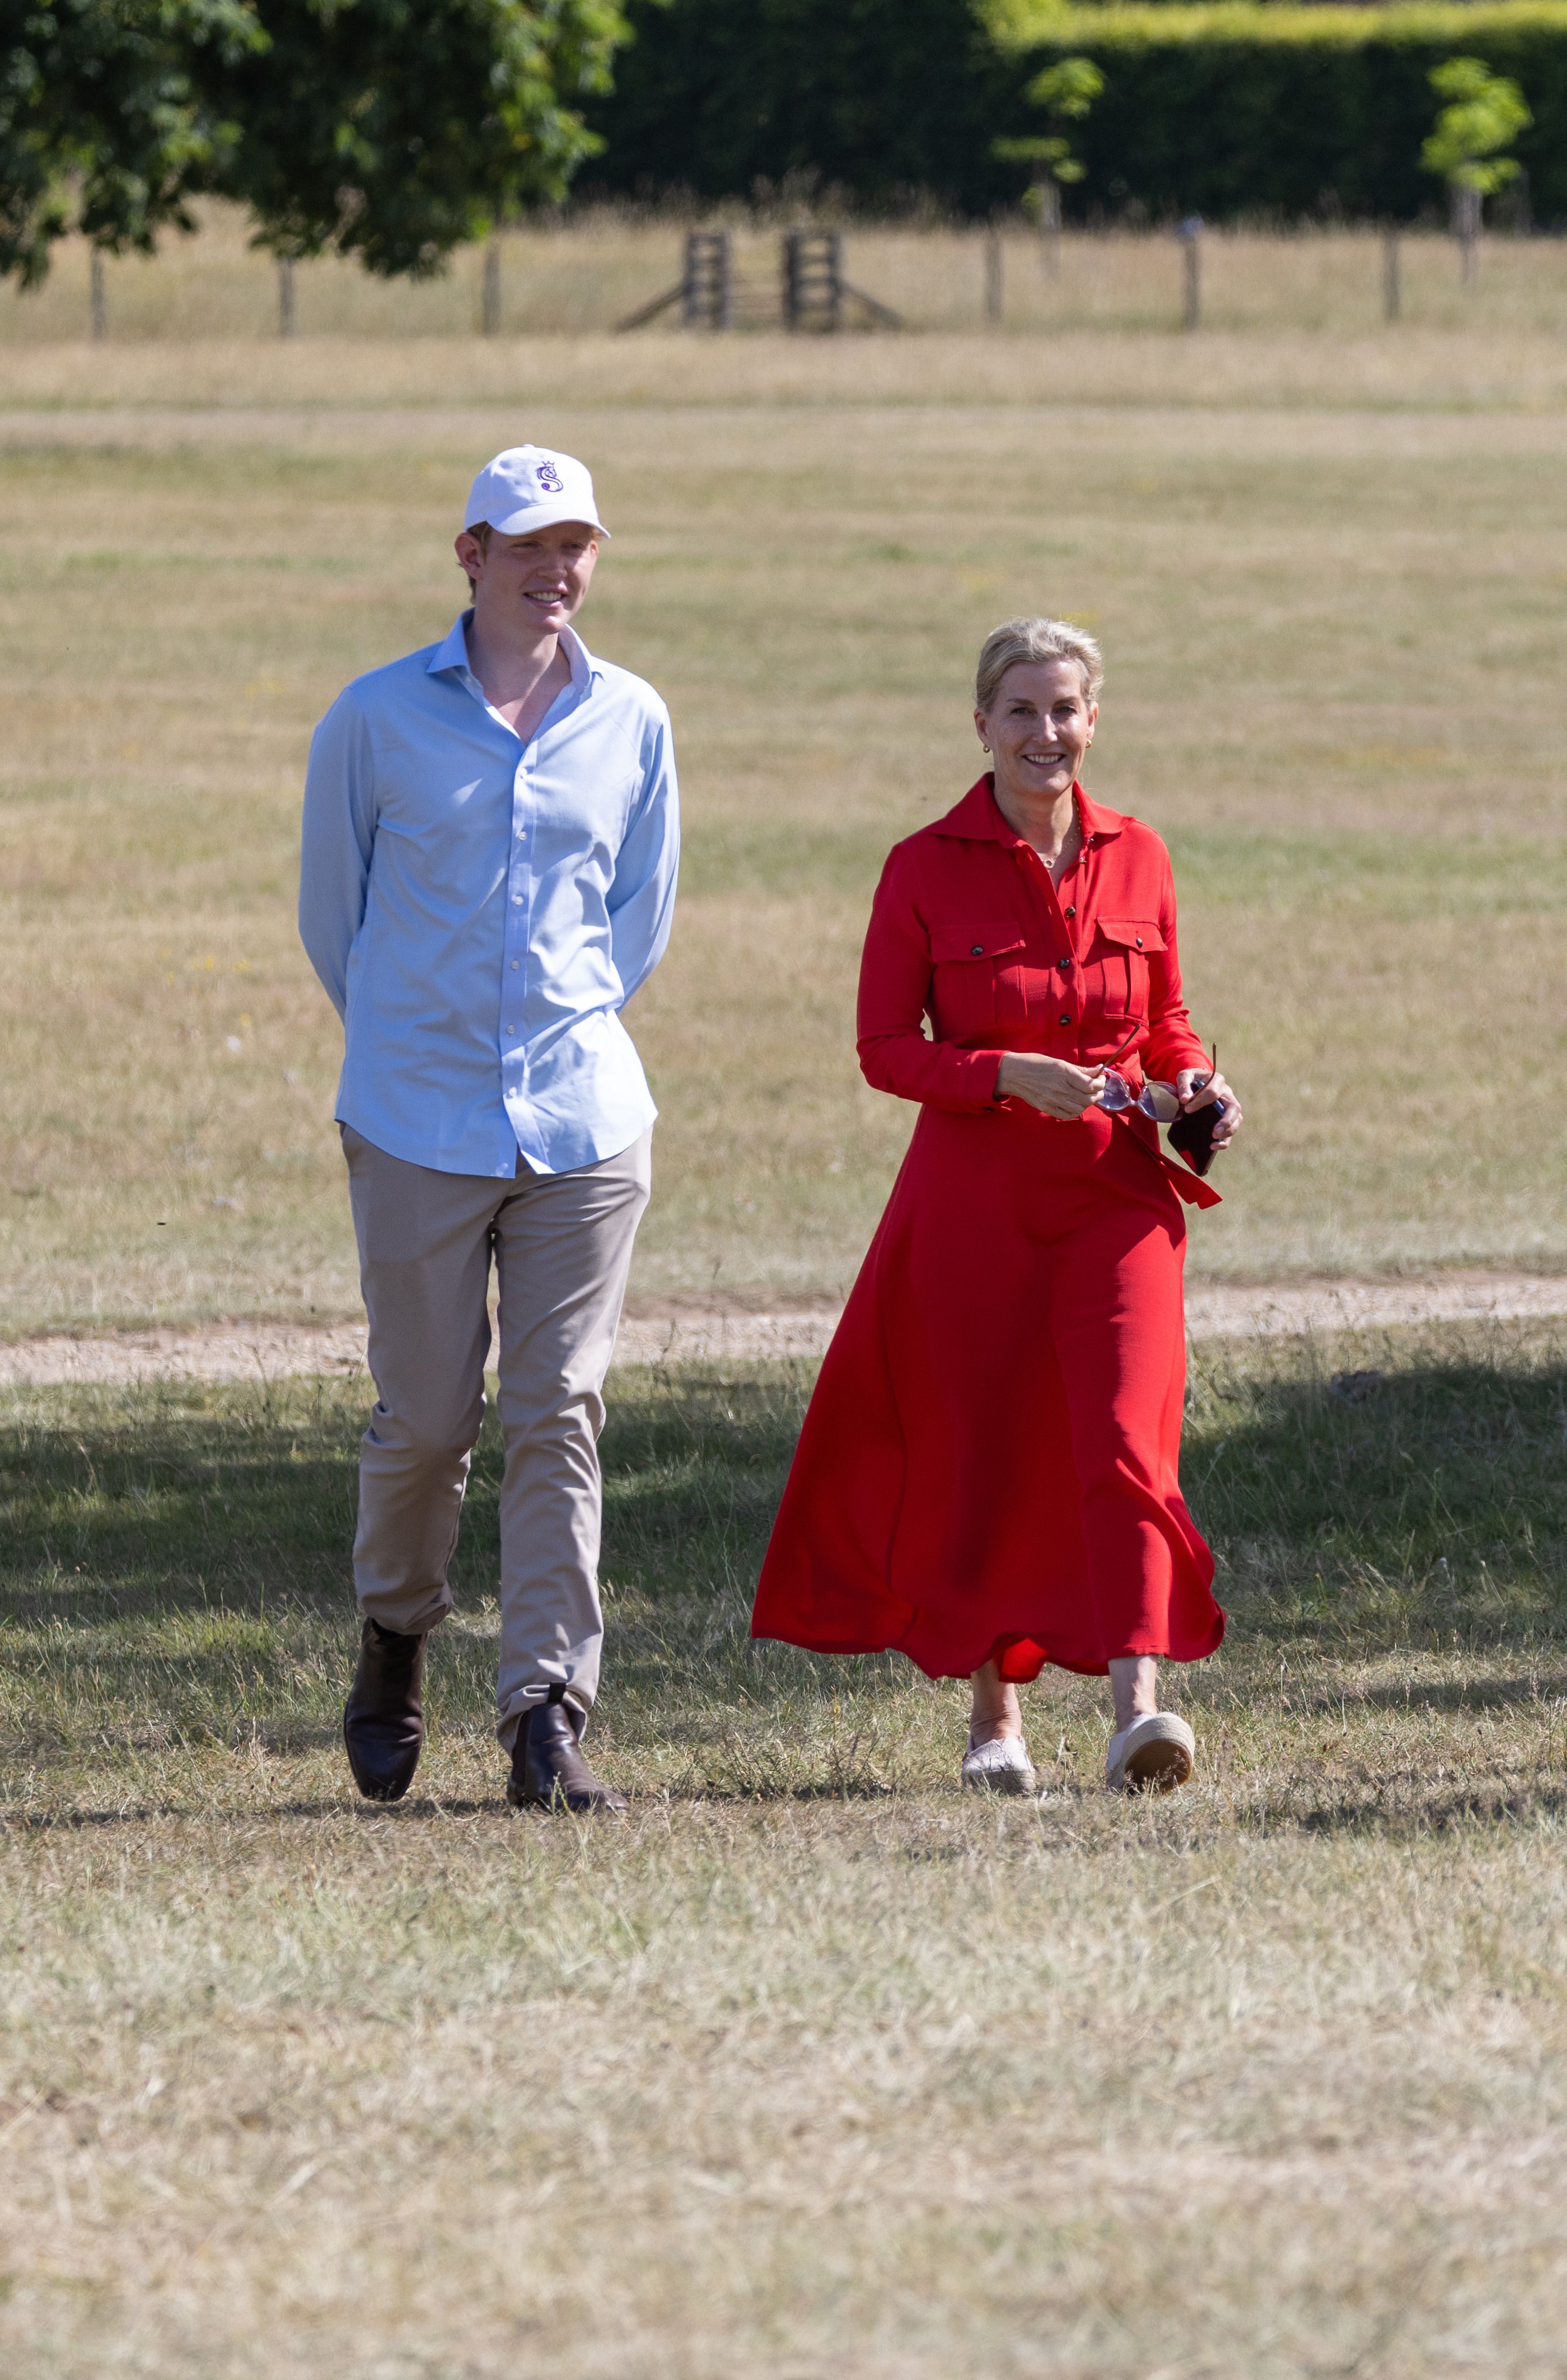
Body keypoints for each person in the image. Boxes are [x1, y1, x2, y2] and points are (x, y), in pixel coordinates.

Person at [750, 619, 1241, 1797]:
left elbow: (1166, 1018)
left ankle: (1138, 1710)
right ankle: (995, 1721)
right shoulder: (922, 866)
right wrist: (998, 1075)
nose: (1045, 733)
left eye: (1065, 710)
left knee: (1127, 1439)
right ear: (981, 725)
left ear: (1093, 720)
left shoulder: (1142, 855)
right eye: (1020, 711)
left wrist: (1200, 1083)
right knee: (988, 1447)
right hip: (971, 1208)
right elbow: (881, 1049)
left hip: (1119, 1197)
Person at [300, 445, 680, 1814]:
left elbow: (638, 919)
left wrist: (554, 1034)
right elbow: (332, 920)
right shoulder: (376, 717)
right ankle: (396, 1636)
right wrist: (422, 1045)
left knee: (560, 1406)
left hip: (584, 1117)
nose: (553, 569)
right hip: (415, 1114)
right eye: (526, 545)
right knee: (423, 1422)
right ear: (470, 553)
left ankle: (544, 1711)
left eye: (574, 545)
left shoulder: (633, 718)